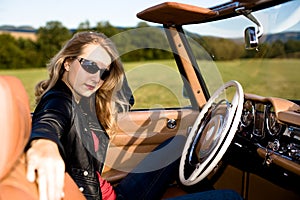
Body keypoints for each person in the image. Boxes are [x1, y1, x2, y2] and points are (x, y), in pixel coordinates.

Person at [25, 31, 243, 200]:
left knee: (178, 143)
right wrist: (44, 145)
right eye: (90, 65)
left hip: (109, 191)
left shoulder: (84, 100)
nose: (96, 78)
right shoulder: (59, 100)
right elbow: (50, 120)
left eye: (104, 71)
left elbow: (126, 99)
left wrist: (108, 61)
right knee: (231, 197)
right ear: (68, 62)